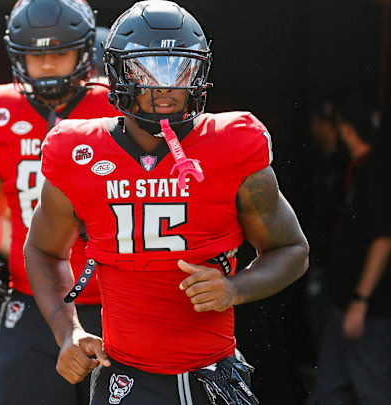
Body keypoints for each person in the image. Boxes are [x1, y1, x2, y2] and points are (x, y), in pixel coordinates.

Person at [24, 1, 309, 404]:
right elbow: (41, 248)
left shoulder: (234, 143)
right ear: (118, 73)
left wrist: (235, 288)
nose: (166, 86)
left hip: (213, 375)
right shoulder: (76, 150)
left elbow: (292, 250)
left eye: (181, 68)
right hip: (123, 377)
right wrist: (66, 329)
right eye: (148, 69)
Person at [0, 0, 119, 403]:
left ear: (85, 51)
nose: (48, 64)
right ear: (18, 55)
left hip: (116, 300)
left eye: (59, 52)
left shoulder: (117, 107)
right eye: (37, 54)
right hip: (31, 297)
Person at [315, 102, 391, 405]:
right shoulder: (356, 169)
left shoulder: (377, 171)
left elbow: (384, 239)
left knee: (371, 389)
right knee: (330, 385)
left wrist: (361, 301)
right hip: (341, 303)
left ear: (347, 130)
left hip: (369, 310)